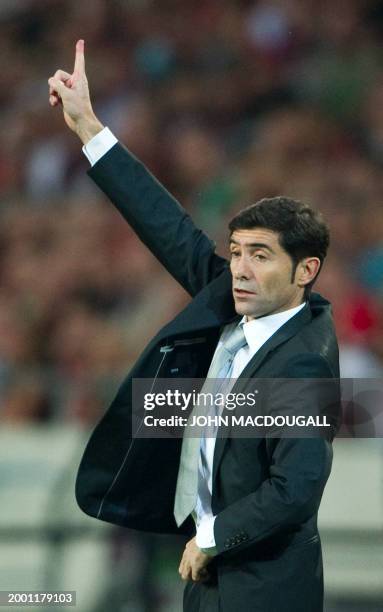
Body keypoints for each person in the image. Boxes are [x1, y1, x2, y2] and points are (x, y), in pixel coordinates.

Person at [48, 41, 340, 612]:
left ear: (306, 270)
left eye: (261, 255)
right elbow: (170, 228)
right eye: (236, 252)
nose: (241, 269)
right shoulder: (240, 302)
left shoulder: (302, 359)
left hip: (260, 589)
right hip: (206, 576)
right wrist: (88, 127)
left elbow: (296, 489)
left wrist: (210, 537)